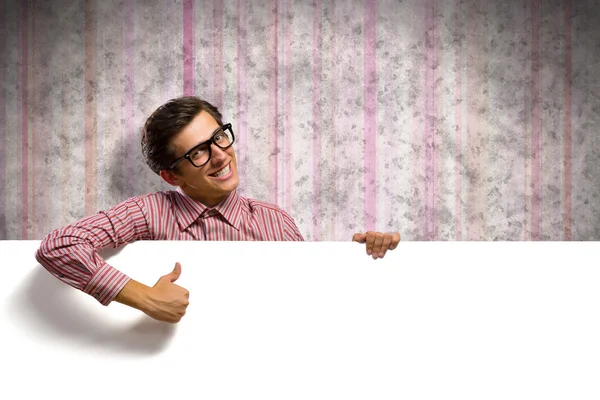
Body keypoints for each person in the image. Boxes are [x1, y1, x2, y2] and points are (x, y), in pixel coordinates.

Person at [35, 96, 401, 324]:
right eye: (197, 152)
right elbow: (59, 246)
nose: (220, 155)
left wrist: (363, 258)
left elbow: (313, 305)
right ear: (171, 175)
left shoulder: (275, 222)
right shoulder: (147, 213)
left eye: (219, 138)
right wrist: (144, 297)